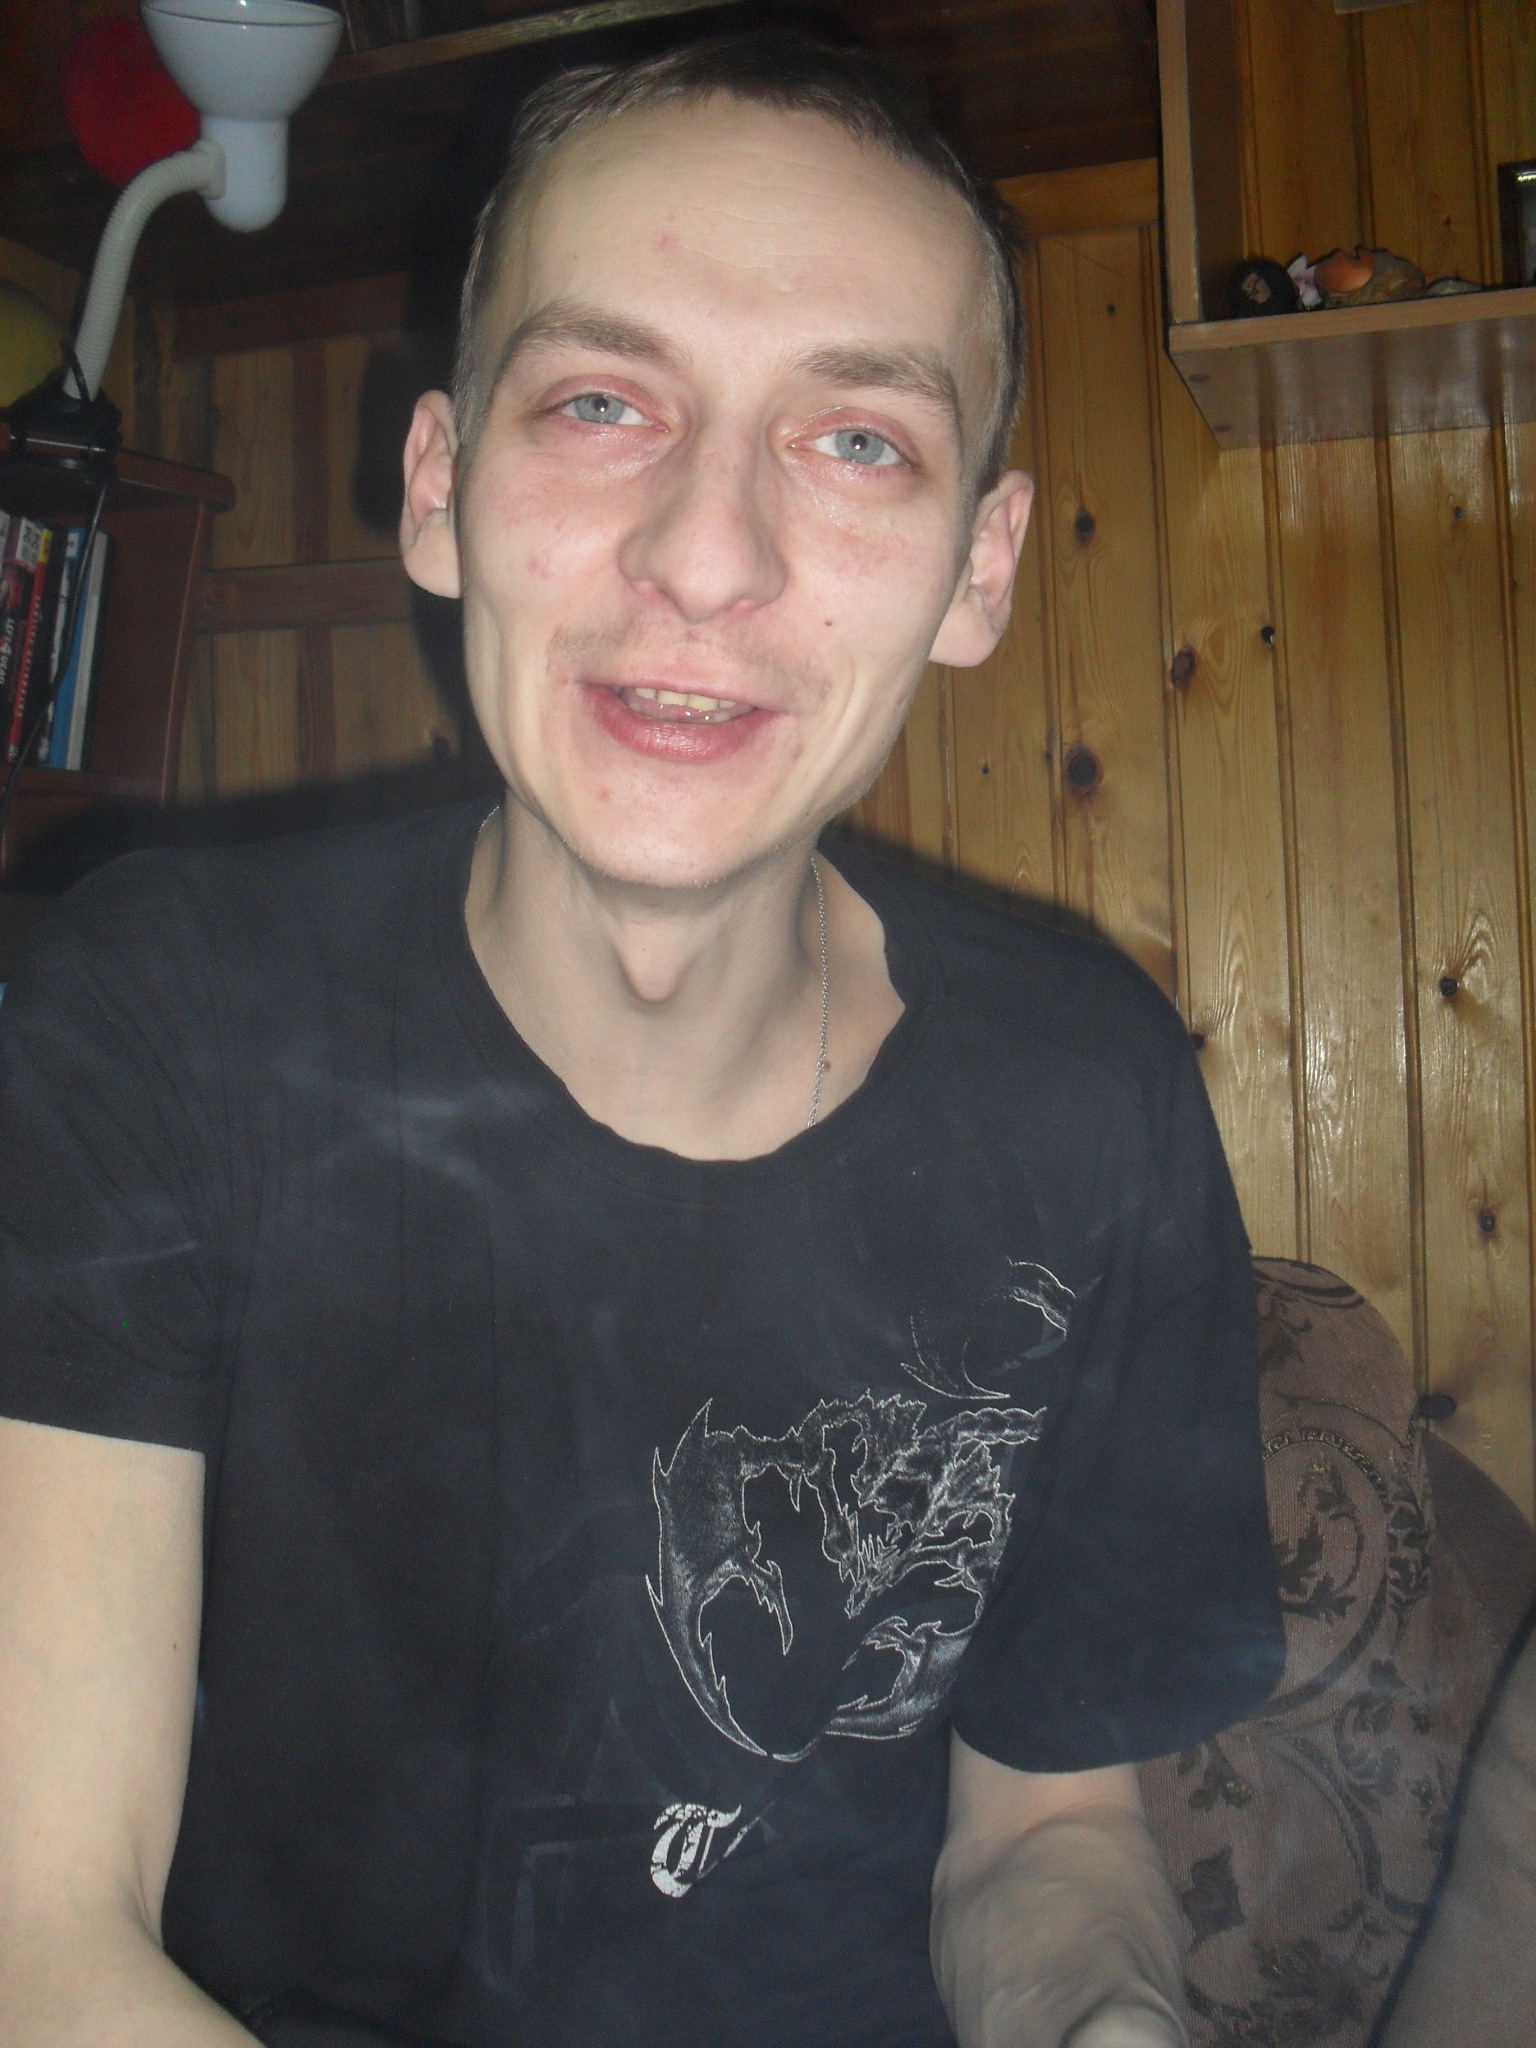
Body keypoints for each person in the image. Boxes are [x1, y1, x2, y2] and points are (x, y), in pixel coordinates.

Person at [0, 33, 1283, 2048]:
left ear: (980, 569)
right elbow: (39, 1936)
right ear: (440, 490)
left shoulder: (1091, 1099)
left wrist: (1107, 2020)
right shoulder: (147, 1019)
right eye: (601, 403)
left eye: (856, 440)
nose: (704, 555)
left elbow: (1046, 1837)